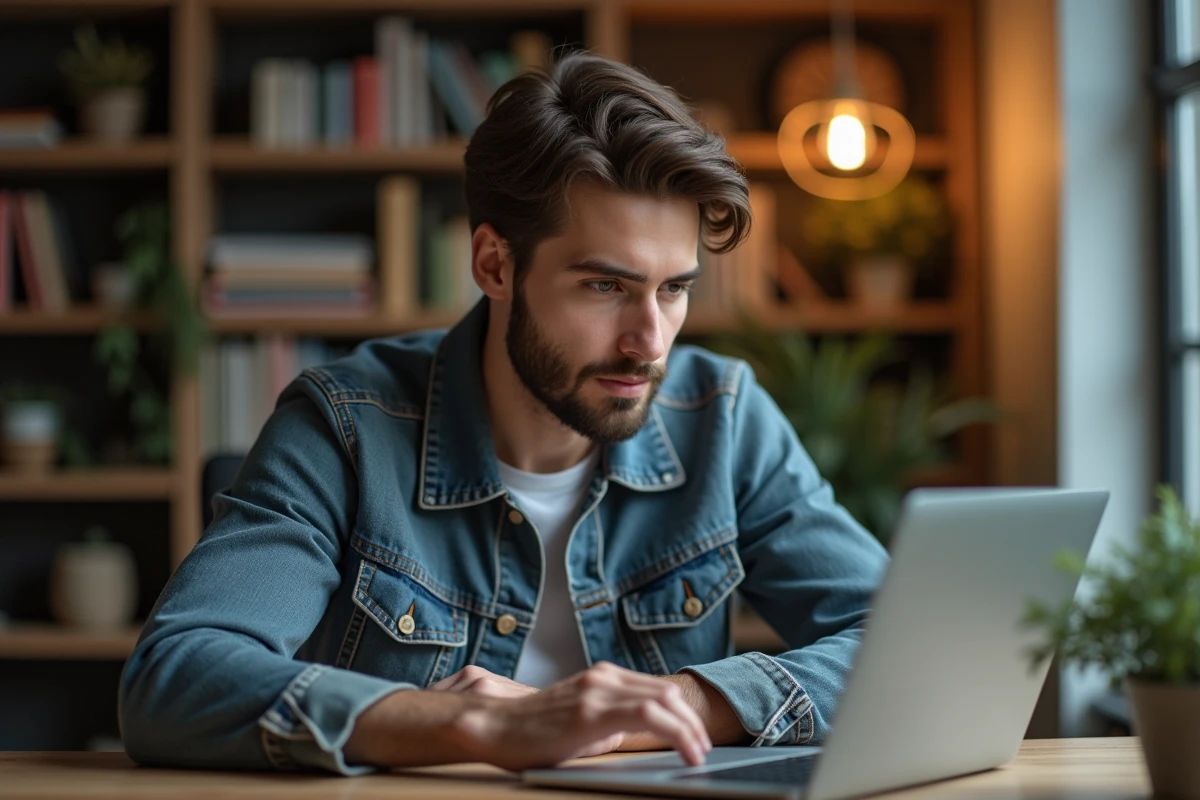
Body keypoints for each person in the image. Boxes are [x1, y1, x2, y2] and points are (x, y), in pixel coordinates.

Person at [118, 52, 888, 775]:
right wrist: (475, 727)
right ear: (494, 264)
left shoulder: (721, 418)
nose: (648, 341)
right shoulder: (346, 426)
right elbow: (174, 676)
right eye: (605, 287)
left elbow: (906, 647)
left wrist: (670, 707)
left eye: (674, 289)